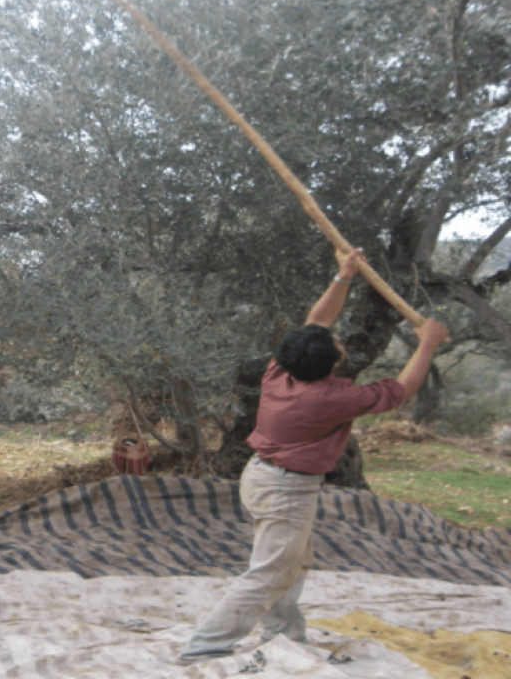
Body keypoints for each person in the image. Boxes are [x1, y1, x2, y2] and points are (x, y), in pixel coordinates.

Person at [181, 249, 449, 663]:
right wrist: (427, 345)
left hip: (262, 479)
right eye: (337, 343)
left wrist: (344, 276)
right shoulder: (332, 398)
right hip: (286, 491)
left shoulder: (280, 369)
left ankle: (283, 634)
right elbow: (399, 391)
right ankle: (204, 647)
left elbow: (317, 322)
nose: (336, 338)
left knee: (290, 563)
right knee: (270, 571)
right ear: (334, 362)